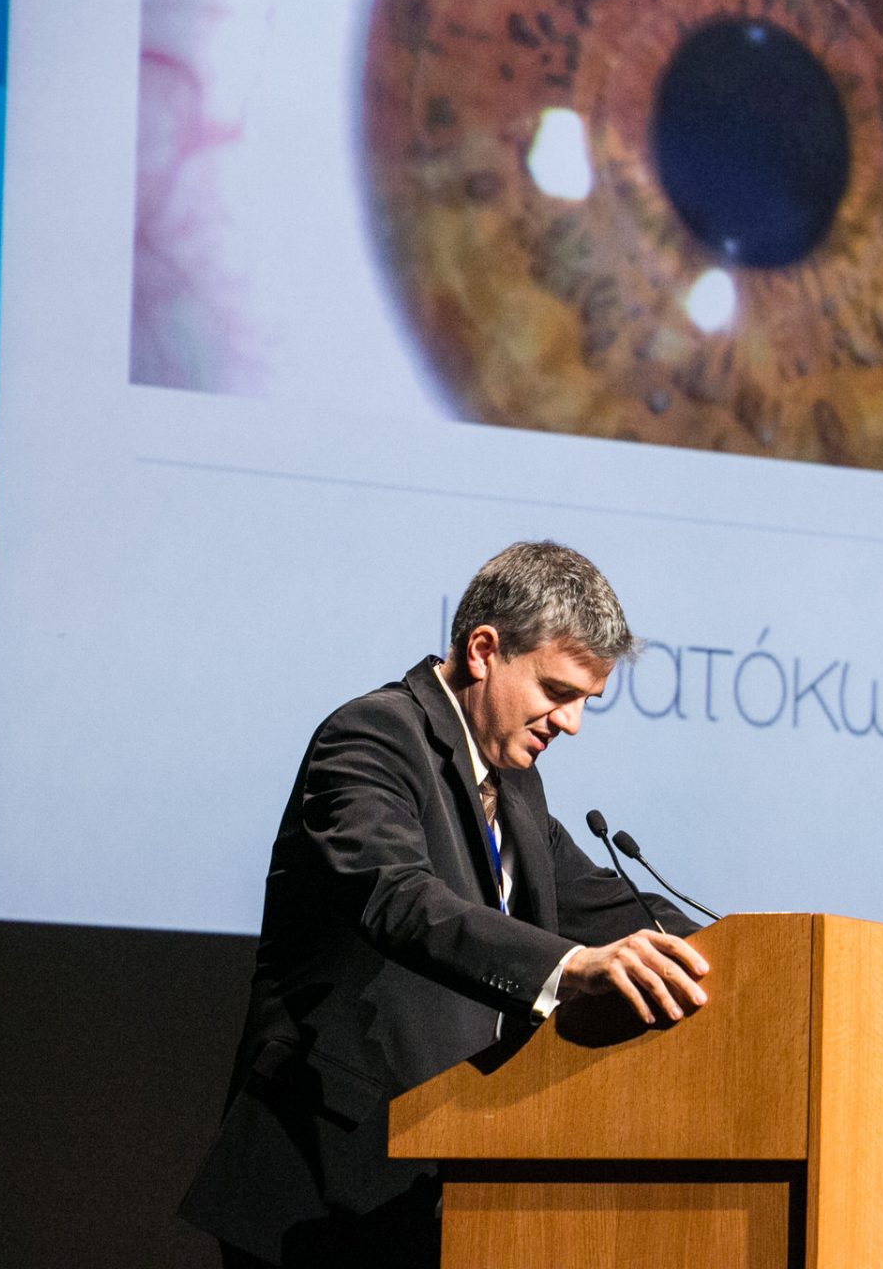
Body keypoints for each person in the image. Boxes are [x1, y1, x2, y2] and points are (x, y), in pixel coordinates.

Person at [180, 541, 711, 1267]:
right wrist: (572, 968)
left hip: (436, 1186)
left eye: (586, 702)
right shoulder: (373, 735)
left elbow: (604, 902)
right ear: (485, 650)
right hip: (324, 1180)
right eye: (557, 692)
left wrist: (754, 949)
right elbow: (396, 897)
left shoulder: (514, 785)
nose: (571, 724)